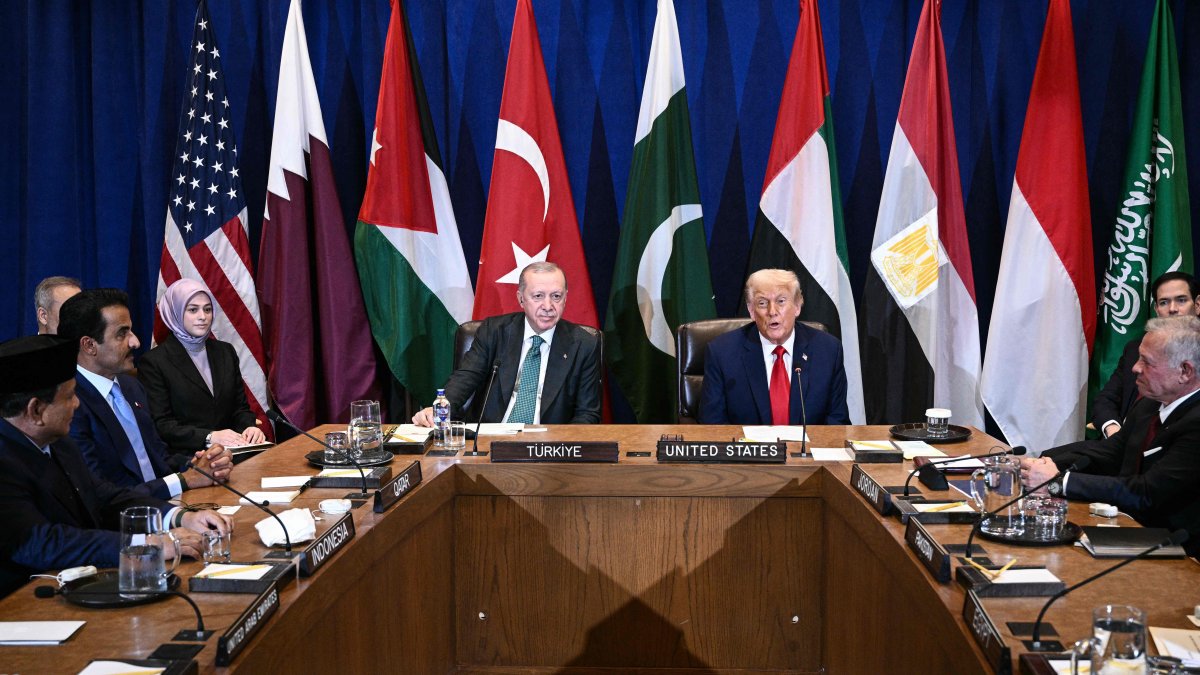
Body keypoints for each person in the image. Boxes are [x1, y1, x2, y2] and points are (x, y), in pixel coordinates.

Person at [0, 334, 231, 598]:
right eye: (69, 396)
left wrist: (179, 517)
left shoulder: (59, 442)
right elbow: (41, 543)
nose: (77, 404)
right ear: (36, 410)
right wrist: (146, 544)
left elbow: (103, 497)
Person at [1022, 315, 1200, 557]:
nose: (1135, 368)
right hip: (1127, 532)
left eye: (1146, 362)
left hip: (1181, 555)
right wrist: (1045, 462)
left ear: (1185, 371)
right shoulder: (1150, 404)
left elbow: (1146, 492)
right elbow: (1111, 452)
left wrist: (1058, 481)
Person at [57, 289, 232, 500]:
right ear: (89, 345)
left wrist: (200, 465)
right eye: (122, 333)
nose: (135, 342)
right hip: (125, 521)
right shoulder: (69, 403)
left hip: (171, 503)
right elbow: (99, 494)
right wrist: (185, 479)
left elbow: (157, 457)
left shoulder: (131, 387)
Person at [413, 262, 601, 426]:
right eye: (538, 296)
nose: (548, 305)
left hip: (549, 446)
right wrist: (440, 408)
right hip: (491, 438)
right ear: (520, 298)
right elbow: (465, 377)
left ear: (566, 298)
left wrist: (562, 447)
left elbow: (588, 414)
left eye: (556, 296)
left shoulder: (584, 344)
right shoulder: (494, 331)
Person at [698, 268, 850, 425]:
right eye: (762, 303)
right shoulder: (722, 353)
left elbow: (837, 422)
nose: (772, 312)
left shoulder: (827, 351)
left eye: (781, 301)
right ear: (751, 310)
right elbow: (712, 425)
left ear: (797, 306)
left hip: (809, 448)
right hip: (749, 449)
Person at [137, 278, 265, 451]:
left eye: (207, 309)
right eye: (192, 310)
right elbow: (162, 425)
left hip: (235, 451)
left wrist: (249, 427)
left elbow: (240, 408)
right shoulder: (154, 362)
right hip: (190, 457)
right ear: (174, 312)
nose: (202, 317)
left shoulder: (225, 351)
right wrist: (210, 436)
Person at [1093, 272, 1200, 437]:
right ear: (1156, 309)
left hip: (1173, 445)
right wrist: (1113, 430)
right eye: (1164, 302)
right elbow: (1105, 400)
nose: (1172, 309)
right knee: (1050, 457)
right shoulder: (1135, 350)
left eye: (1181, 300)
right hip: (1118, 443)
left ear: (1197, 304)